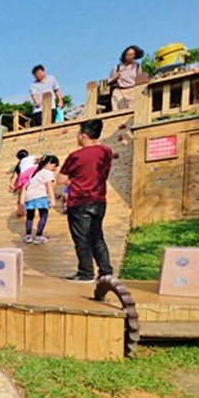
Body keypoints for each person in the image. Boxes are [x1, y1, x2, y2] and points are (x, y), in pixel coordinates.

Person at [58, 119, 114, 284]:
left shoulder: (75, 155)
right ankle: (105, 272)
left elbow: (61, 179)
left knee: (82, 239)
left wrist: (72, 180)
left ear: (83, 135)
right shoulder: (107, 152)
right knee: (97, 237)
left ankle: (85, 273)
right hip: (99, 200)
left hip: (79, 202)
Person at [108, 46, 144, 112]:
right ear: (124, 55)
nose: (130, 56)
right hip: (120, 91)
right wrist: (115, 78)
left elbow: (140, 79)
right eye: (128, 54)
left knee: (134, 110)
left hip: (133, 90)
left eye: (132, 54)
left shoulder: (137, 66)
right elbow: (109, 82)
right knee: (119, 112)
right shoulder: (117, 67)